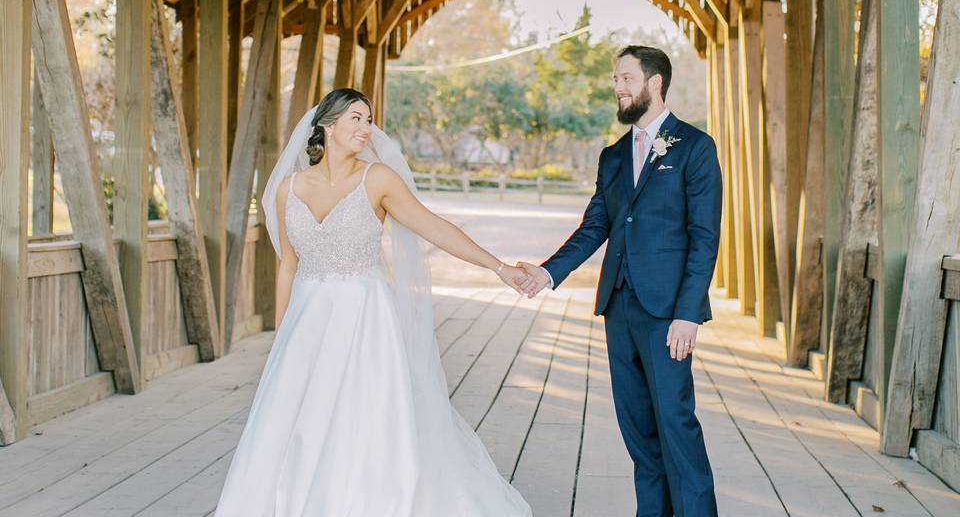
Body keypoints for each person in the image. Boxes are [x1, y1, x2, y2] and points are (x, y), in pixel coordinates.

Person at [214, 88, 532, 516]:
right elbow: (288, 266)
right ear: (327, 126)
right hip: (307, 323)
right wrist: (282, 336)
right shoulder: (288, 188)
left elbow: (432, 226)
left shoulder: (377, 178)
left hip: (364, 319)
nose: (366, 129)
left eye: (368, 119)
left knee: (362, 414)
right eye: (356, 119)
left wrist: (498, 268)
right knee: (298, 418)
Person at [516, 45, 722, 517]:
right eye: (615, 80)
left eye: (626, 78)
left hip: (668, 313)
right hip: (619, 309)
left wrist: (688, 314)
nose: (618, 87)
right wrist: (547, 273)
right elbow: (595, 227)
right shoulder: (612, 157)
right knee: (638, 432)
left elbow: (704, 238)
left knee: (675, 423)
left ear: (654, 83)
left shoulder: (695, 147)